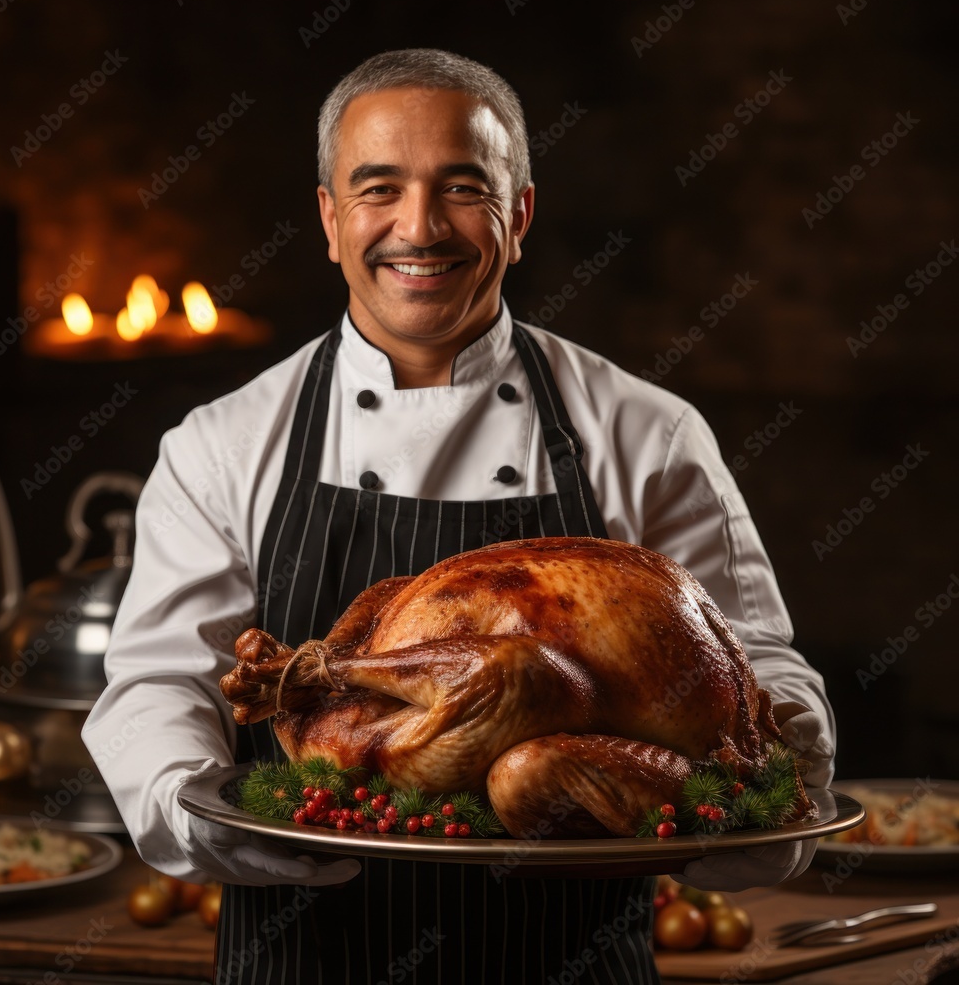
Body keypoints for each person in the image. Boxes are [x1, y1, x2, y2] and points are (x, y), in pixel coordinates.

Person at [82, 48, 835, 985]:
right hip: (306, 958)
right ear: (329, 219)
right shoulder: (225, 443)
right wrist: (209, 821)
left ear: (519, 214)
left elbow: (754, 665)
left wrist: (772, 784)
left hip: (576, 960)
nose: (419, 227)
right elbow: (157, 686)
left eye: (463, 187)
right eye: (378, 189)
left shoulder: (650, 433)